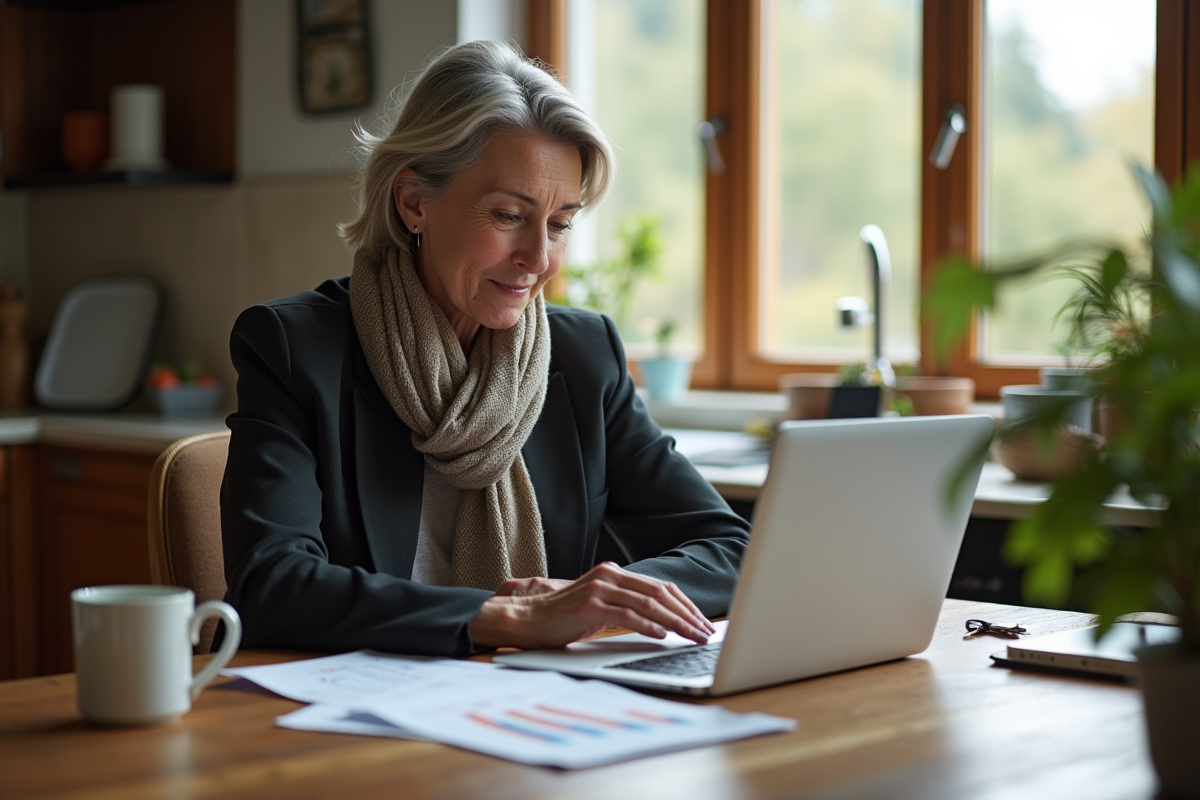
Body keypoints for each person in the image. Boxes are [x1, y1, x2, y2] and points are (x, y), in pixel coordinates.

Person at [220, 41, 749, 657]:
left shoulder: (584, 357)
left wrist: (608, 595)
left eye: (560, 224)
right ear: (414, 202)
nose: (539, 258)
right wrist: (506, 618)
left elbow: (731, 549)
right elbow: (270, 585)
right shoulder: (295, 350)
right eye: (508, 215)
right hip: (357, 704)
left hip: (540, 702)